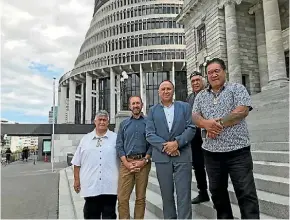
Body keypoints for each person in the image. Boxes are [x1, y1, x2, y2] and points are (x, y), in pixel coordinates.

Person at [192, 58, 260, 219]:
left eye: (217, 71)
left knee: (246, 193)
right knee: (217, 193)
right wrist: (205, 124)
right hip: (211, 154)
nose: (213, 75)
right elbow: (194, 116)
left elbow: (242, 111)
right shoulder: (201, 96)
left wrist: (216, 124)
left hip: (238, 152)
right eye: (209, 72)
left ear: (224, 71)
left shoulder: (237, 88)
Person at [146, 80, 196, 219]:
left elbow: (191, 128)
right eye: (163, 89)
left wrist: (177, 143)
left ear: (173, 91)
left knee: (184, 195)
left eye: (169, 89)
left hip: (183, 156)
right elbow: (150, 134)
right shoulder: (152, 110)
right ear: (159, 92)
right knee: (166, 195)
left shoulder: (185, 107)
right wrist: (167, 147)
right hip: (162, 158)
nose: (166, 91)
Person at [71, 110, 119, 219]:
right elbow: (77, 162)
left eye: (104, 120)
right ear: (95, 121)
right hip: (90, 186)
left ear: (108, 122)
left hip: (110, 187)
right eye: (100, 120)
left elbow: (122, 160)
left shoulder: (115, 138)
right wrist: (76, 180)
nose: (102, 122)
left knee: (109, 216)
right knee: (91, 215)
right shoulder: (85, 139)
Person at [116, 96, 152, 219]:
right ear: (130, 106)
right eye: (133, 103)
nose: (136, 105)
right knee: (122, 198)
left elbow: (152, 144)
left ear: (142, 105)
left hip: (143, 164)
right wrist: (126, 163)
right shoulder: (124, 124)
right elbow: (119, 145)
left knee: (140, 198)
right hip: (127, 163)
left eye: (138, 103)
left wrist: (144, 160)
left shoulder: (149, 123)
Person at [186, 71, 210, 204]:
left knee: (212, 166)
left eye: (197, 80)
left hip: (209, 135)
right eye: (193, 81)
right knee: (198, 165)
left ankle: (216, 191)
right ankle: (203, 192)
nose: (195, 83)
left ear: (203, 80)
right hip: (194, 138)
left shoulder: (209, 94)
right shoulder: (189, 98)